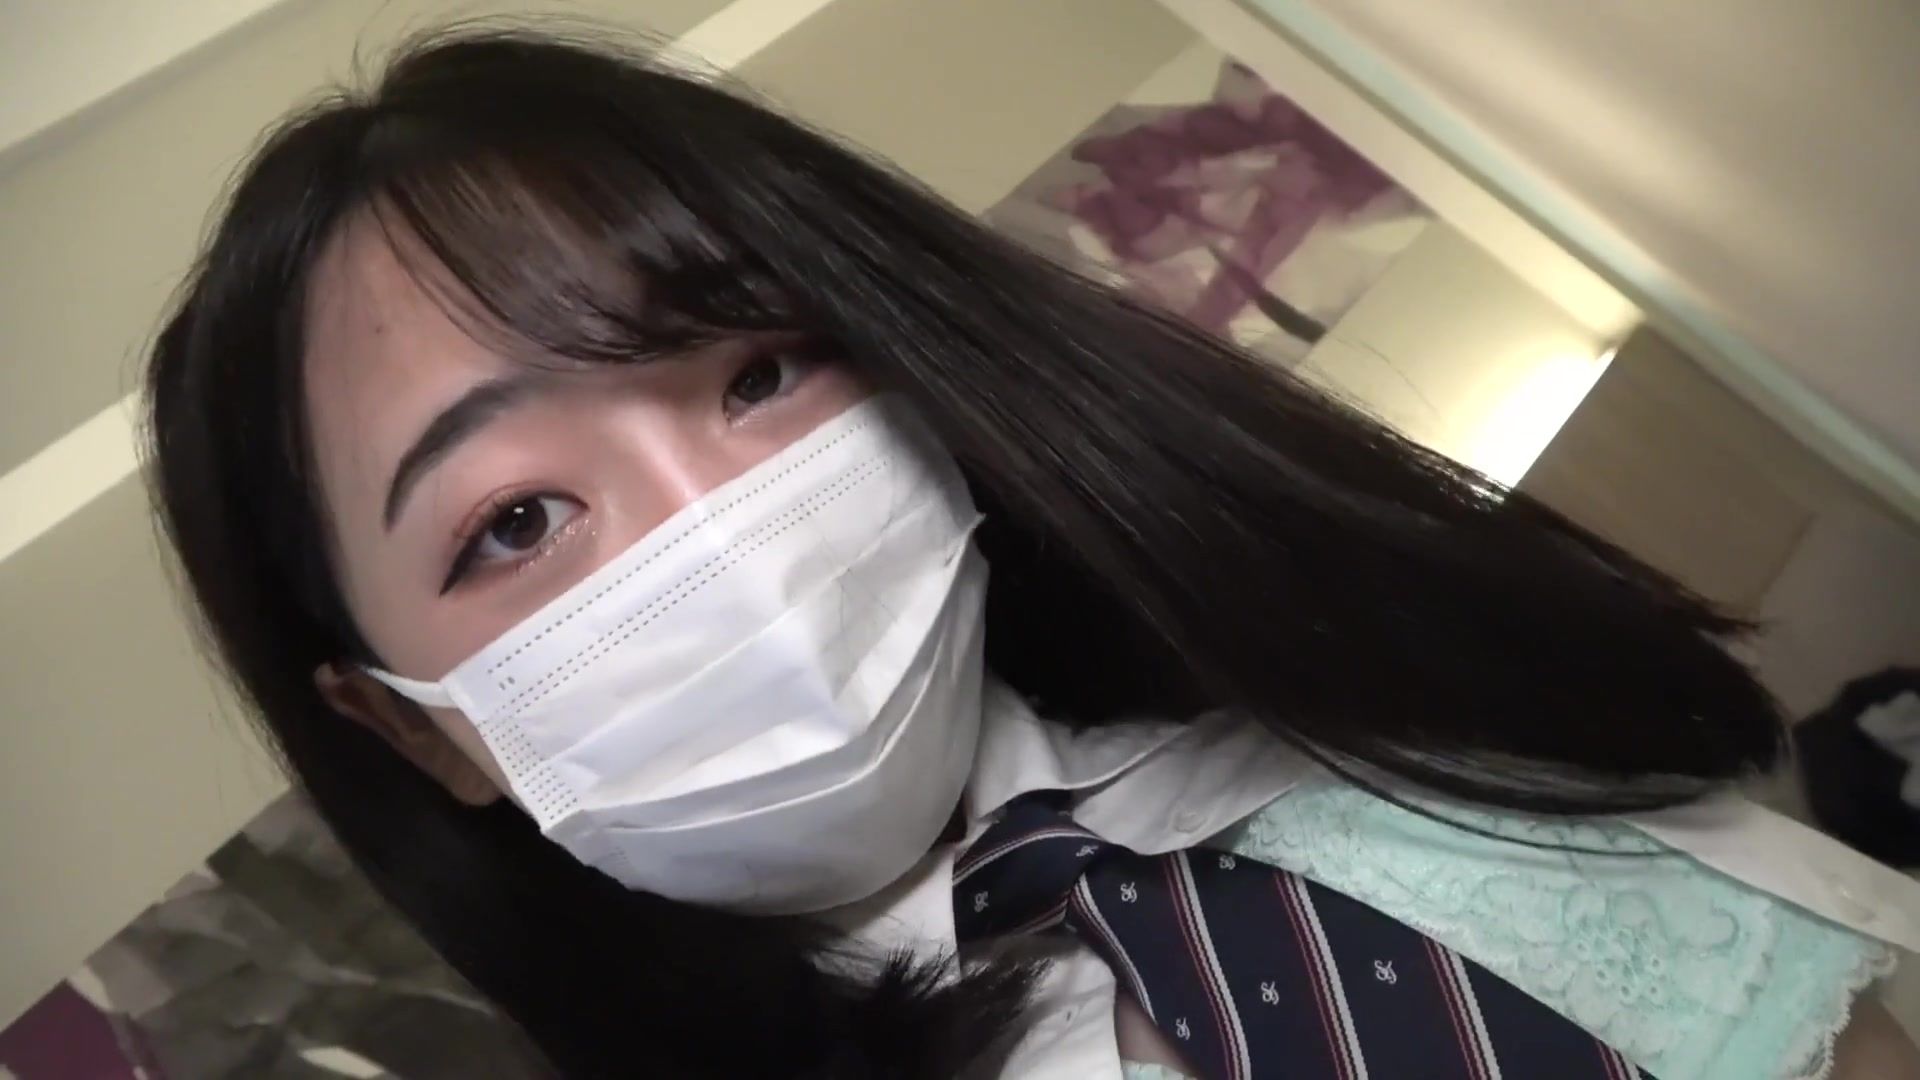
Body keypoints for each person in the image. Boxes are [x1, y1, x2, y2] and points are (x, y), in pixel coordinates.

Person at [143, 26, 1919, 1079]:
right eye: (516, 521)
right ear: (412, 724)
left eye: (761, 374)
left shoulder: (1389, 742)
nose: (724, 540)